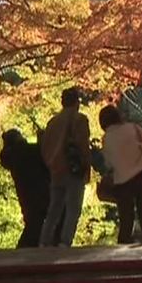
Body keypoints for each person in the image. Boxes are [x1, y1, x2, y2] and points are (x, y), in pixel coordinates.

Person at [98, 104, 142, 244]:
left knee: (126, 221)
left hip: (122, 182)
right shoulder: (133, 128)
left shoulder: (106, 138)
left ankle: (123, 253)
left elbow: (108, 163)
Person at [39, 87, 91, 247]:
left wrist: (51, 163)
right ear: (77, 102)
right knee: (73, 208)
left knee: (54, 208)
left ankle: (44, 241)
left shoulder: (52, 122)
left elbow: (44, 147)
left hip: (55, 169)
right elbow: (83, 146)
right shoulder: (80, 119)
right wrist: (86, 168)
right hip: (73, 169)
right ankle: (65, 241)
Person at [0, 129, 55, 247]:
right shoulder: (31, 151)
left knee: (33, 222)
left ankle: (27, 249)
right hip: (43, 192)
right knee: (41, 222)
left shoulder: (11, 157)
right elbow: (45, 159)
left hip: (26, 195)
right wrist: (42, 140)